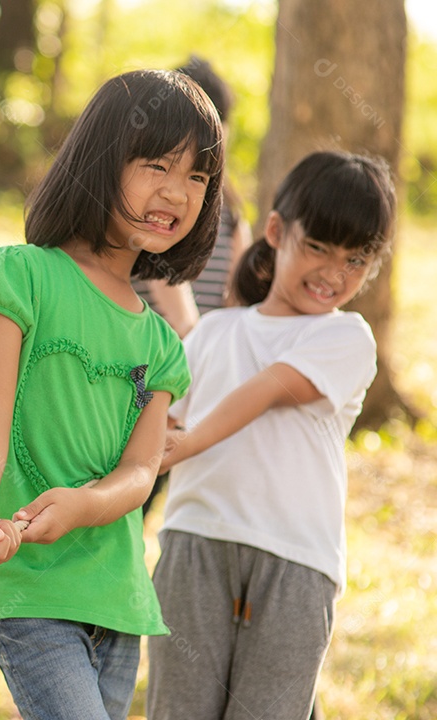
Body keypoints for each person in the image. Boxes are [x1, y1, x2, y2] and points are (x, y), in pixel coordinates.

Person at [0, 68, 224, 720]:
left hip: (114, 594)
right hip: (28, 582)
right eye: (156, 165)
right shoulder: (22, 277)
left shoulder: (163, 346)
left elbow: (142, 471)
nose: (177, 192)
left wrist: (86, 504)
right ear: (100, 160)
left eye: (197, 177)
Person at [146, 150, 396, 719]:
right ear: (278, 231)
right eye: (318, 247)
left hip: (295, 563)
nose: (334, 272)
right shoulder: (212, 334)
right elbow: (157, 428)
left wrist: (184, 445)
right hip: (194, 545)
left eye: (356, 259)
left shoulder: (346, 339)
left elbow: (269, 390)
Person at [138, 55, 252, 519]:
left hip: (196, 372)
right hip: (153, 364)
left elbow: (239, 290)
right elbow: (161, 277)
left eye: (220, 123)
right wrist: (198, 344)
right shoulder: (164, 201)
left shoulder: (231, 208)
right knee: (136, 484)